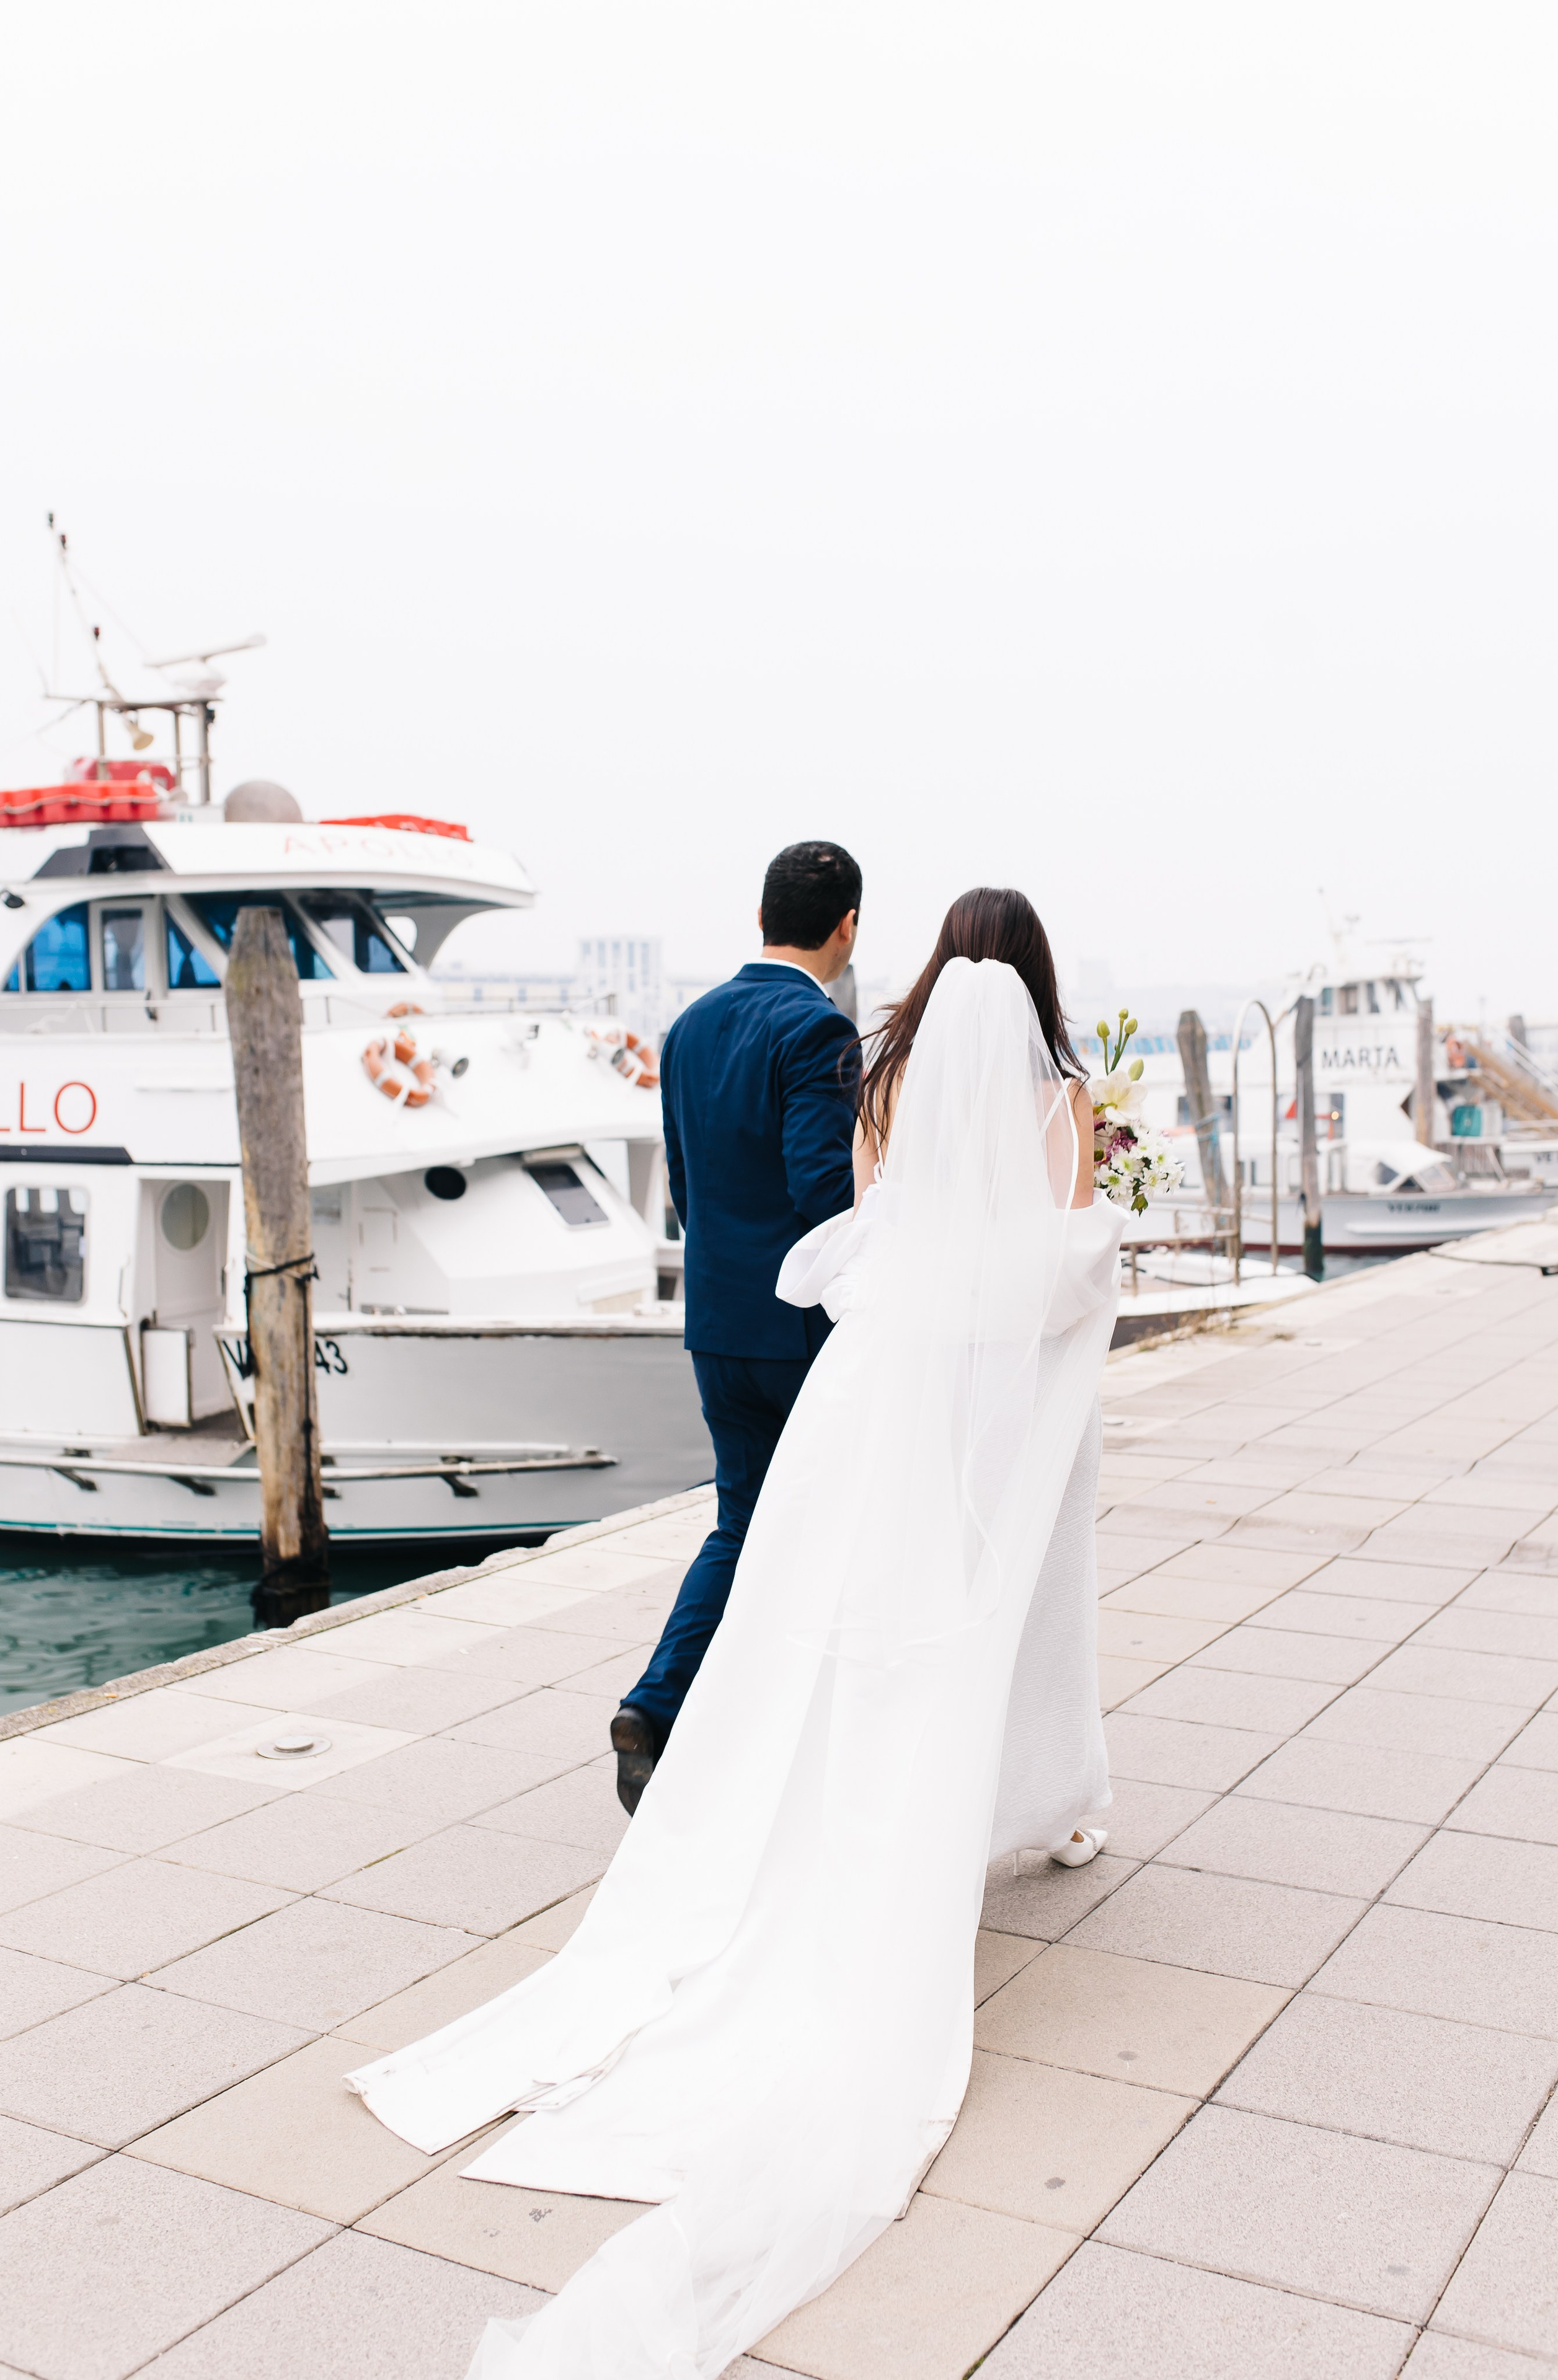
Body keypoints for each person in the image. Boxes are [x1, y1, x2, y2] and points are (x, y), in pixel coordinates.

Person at [347, 889, 1123, 2380]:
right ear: (1028, 981)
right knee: (1002, 1610)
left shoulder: (879, 1076)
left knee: (849, 1618)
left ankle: (854, 1789)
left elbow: (864, 1225)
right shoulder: (1057, 1096)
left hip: (866, 1387)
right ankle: (1023, 1796)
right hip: (995, 1405)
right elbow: (1043, 1260)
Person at [609, 839, 862, 1812]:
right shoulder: (816, 1031)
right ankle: (718, 1710)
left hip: (715, 1320)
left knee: (743, 1519)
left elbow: (682, 1186)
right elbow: (822, 1195)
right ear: (847, 926)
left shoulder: (686, 1027)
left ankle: (669, 1707)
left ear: (762, 918)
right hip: (800, 1331)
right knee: (824, 1521)